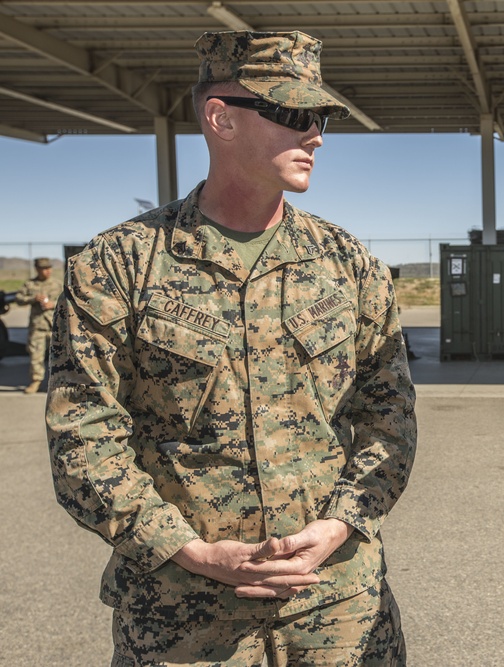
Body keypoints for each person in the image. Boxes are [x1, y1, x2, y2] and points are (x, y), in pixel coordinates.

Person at [46, 30, 416, 666]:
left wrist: (339, 526)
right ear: (221, 117)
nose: (317, 137)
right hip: (182, 620)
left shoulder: (347, 264)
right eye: (296, 115)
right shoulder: (118, 266)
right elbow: (83, 437)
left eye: (321, 118)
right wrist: (186, 550)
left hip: (335, 612)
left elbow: (389, 418)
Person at [14, 256, 61, 394]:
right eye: (44, 268)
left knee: (59, 357)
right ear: (37, 269)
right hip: (38, 327)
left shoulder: (57, 284)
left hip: (55, 327)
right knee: (36, 356)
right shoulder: (30, 285)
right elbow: (18, 299)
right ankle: (36, 381)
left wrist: (53, 304)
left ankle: (58, 383)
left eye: (49, 268)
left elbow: (68, 300)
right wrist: (32, 299)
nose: (47, 271)